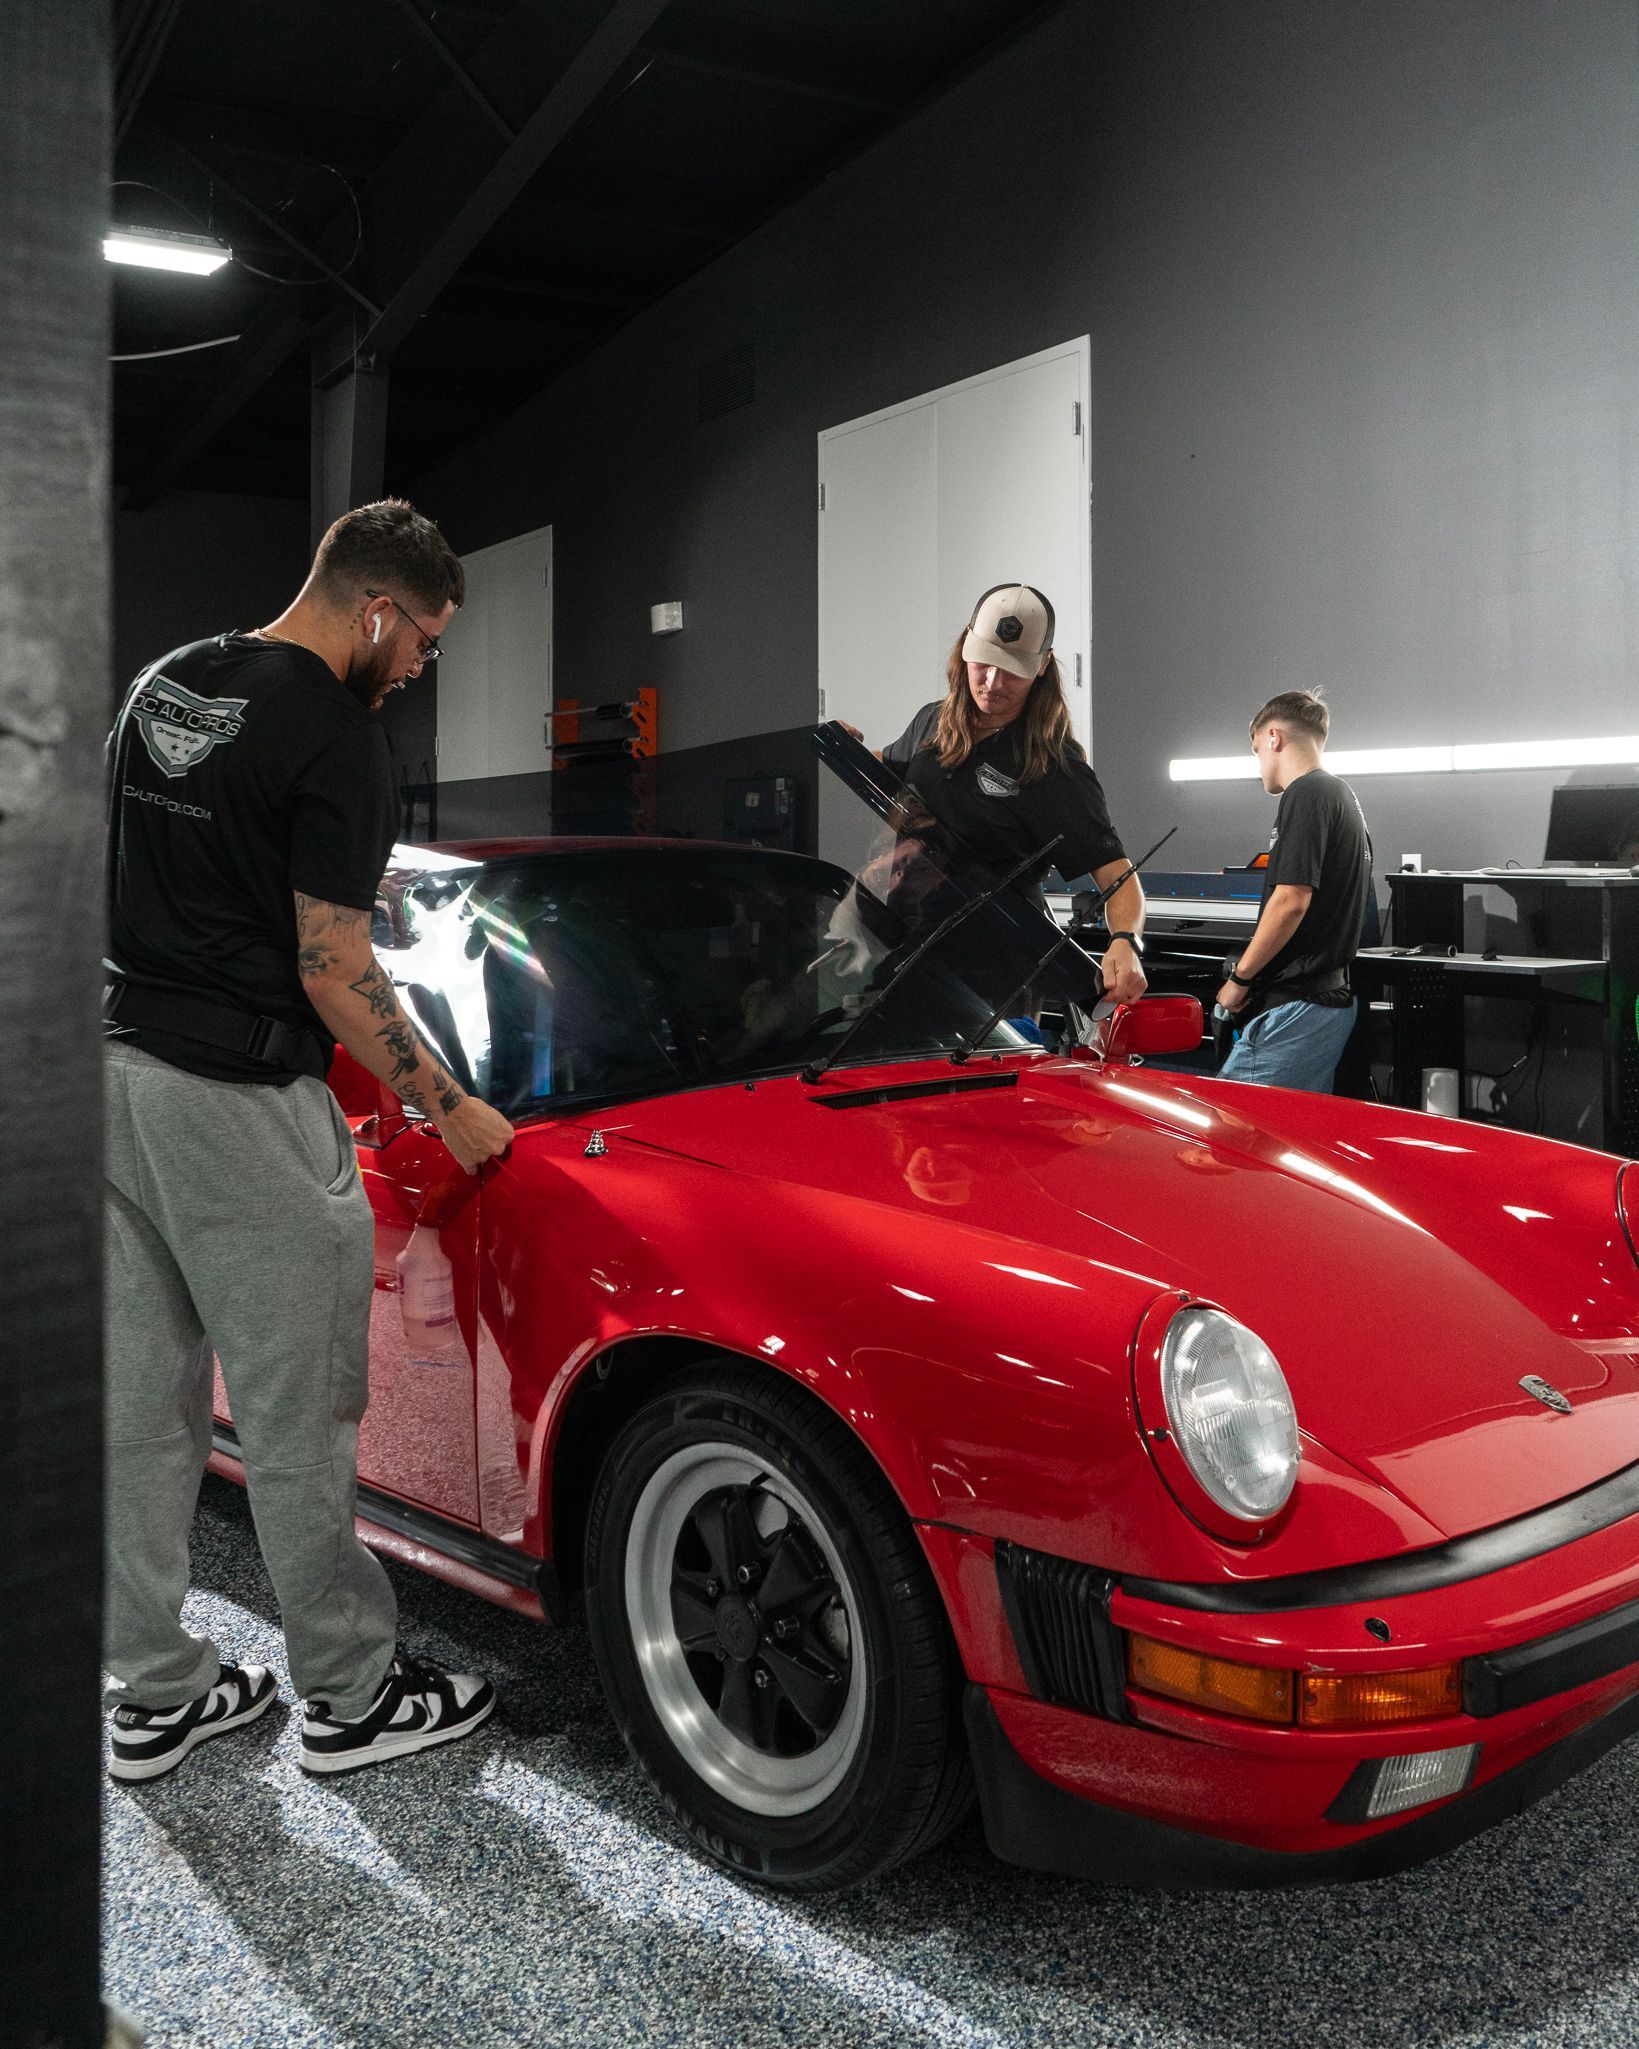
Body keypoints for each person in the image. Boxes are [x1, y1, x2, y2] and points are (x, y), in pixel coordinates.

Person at [102, 498, 515, 1783]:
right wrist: (452, 1107)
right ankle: (349, 1694)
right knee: (301, 1413)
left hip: (110, 1086)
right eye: (425, 642)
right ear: (379, 608)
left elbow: (184, 861)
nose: (417, 668)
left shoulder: (170, 681)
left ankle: (156, 1693)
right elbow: (332, 967)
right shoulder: (337, 738)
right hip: (238, 1104)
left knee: (135, 1412)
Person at [845, 583, 1147, 1006]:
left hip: (998, 975)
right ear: (965, 648)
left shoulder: (1055, 767)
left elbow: (1117, 873)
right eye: (983, 663)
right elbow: (892, 767)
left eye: (1012, 670)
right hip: (906, 947)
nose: (992, 682)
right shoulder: (932, 722)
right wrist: (849, 747)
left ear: (1042, 666)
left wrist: (1125, 942)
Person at [1215, 689, 1373, 1092]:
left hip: (1297, 1008)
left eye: (1256, 750)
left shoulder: (1306, 792)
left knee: (1234, 1127)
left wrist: (1240, 978)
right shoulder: (1343, 797)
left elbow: (1290, 901)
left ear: (1274, 737)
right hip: (1325, 1001)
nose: (1259, 765)